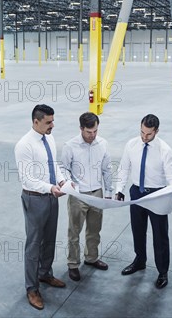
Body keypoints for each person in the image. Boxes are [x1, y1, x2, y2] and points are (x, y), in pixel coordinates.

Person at [114, 114, 172, 289]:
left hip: (157, 194)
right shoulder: (132, 144)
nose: (144, 137)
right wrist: (119, 189)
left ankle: (162, 271)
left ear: (156, 131)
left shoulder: (164, 150)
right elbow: (124, 168)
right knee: (138, 230)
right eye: (142, 132)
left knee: (160, 235)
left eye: (149, 134)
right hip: (137, 192)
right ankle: (139, 260)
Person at [14, 104, 67, 311]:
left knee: (50, 239)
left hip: (52, 196)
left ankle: (45, 274)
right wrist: (50, 187)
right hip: (35, 198)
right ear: (36, 122)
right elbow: (27, 179)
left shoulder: (49, 138)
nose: (52, 125)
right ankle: (31, 288)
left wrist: (61, 181)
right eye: (48, 122)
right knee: (34, 244)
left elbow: (54, 165)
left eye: (53, 121)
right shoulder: (24, 145)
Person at [61, 112, 113, 282]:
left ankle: (91, 258)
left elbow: (107, 169)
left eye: (95, 131)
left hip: (97, 193)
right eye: (89, 132)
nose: (92, 135)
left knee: (94, 229)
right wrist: (69, 183)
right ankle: (73, 264)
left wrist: (109, 192)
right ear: (81, 129)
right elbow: (63, 168)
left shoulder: (103, 144)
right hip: (78, 195)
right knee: (74, 231)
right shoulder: (70, 146)